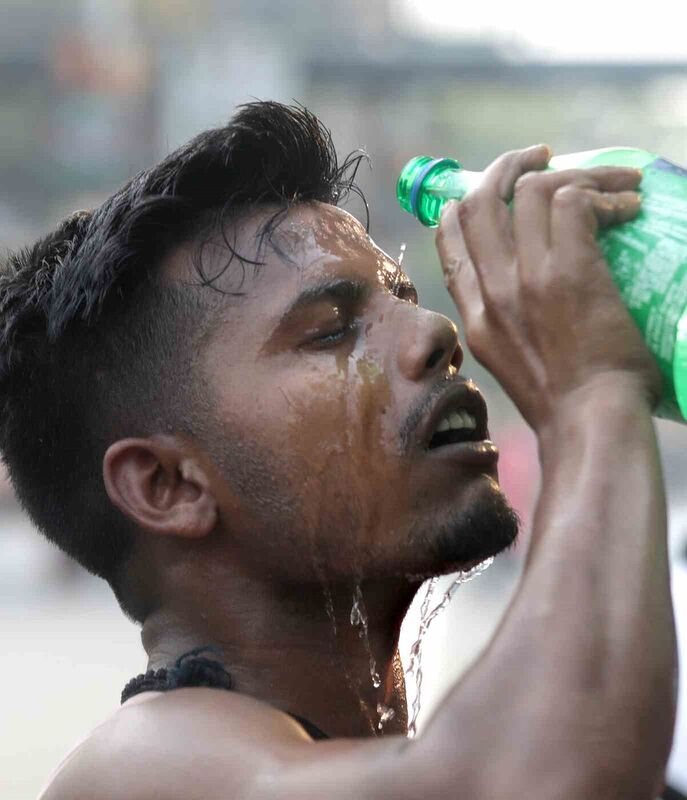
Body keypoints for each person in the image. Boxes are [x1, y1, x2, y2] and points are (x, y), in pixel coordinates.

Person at [0, 101, 676, 799]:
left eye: (403, 299)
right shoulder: (141, 766)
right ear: (167, 485)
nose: (435, 332)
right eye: (329, 331)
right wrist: (589, 394)